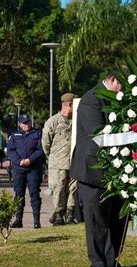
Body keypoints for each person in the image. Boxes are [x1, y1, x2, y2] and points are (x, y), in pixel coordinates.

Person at [70, 71, 130, 267]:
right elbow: (99, 133)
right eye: (121, 84)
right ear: (112, 79)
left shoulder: (116, 98)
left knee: (118, 219)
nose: (122, 89)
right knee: (97, 222)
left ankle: (110, 262)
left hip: (113, 171)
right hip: (92, 171)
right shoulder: (91, 100)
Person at [42, 92, 78, 226]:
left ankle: (70, 213)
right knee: (59, 188)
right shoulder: (53, 122)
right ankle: (58, 214)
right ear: (69, 105)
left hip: (74, 161)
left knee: (73, 188)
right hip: (58, 162)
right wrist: (53, 157)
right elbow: (46, 143)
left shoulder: (76, 121)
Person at [7, 114, 44, 229]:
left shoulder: (38, 134)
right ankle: (18, 220)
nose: (26, 124)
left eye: (28, 122)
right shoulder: (14, 136)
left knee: (34, 194)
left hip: (33, 169)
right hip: (19, 169)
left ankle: (36, 221)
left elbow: (41, 150)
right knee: (19, 195)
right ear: (19, 124)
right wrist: (19, 161)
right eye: (24, 122)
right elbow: (10, 151)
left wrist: (30, 160)